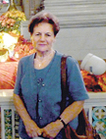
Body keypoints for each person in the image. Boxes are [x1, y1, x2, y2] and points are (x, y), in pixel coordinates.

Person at [13, 11, 89, 139]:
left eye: (48, 34)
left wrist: (58, 125)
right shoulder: (24, 63)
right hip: (31, 135)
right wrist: (28, 122)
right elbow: (17, 95)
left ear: (54, 37)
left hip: (62, 134)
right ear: (31, 36)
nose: (42, 39)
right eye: (37, 34)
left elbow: (79, 100)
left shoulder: (68, 64)